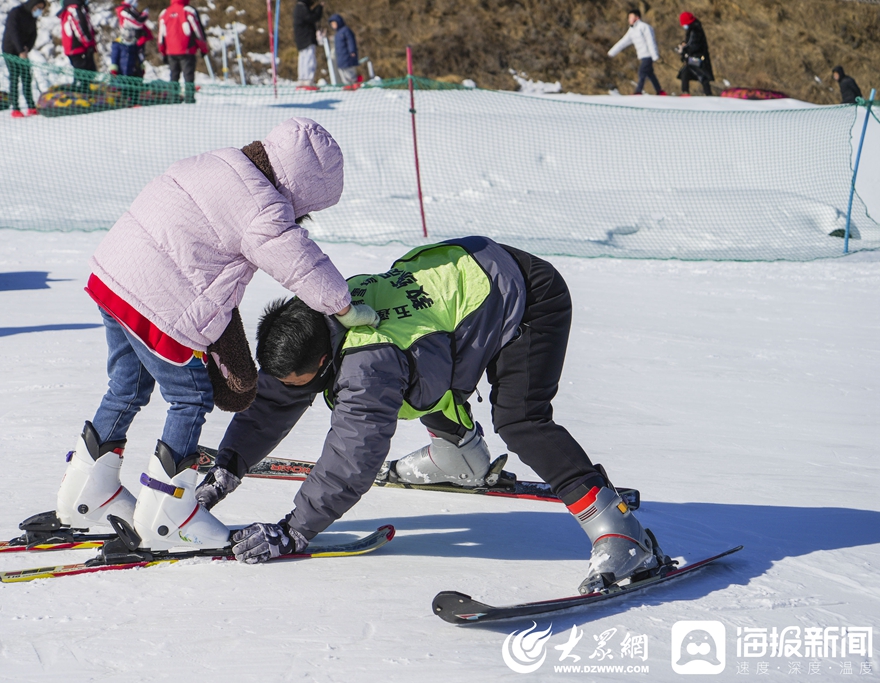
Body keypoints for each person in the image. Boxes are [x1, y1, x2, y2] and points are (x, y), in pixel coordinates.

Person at [204, 236, 665, 595]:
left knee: (521, 420)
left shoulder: (368, 362)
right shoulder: (321, 311)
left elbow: (353, 456)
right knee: (423, 374)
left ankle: (620, 531)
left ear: (323, 361)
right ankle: (458, 456)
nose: (290, 389)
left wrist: (294, 531)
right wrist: (227, 468)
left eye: (298, 380)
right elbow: (274, 401)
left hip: (526, 296)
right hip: (463, 291)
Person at [49, 118, 379, 554]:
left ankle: (88, 492)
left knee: (126, 387)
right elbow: (301, 263)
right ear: (301, 187)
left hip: (114, 277)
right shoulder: (264, 207)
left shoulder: (215, 161)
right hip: (159, 301)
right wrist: (343, 306)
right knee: (189, 397)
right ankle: (168, 514)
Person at [2, 0, 47, 117]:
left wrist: (27, 48)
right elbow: (13, 32)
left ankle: (31, 106)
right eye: (38, 7)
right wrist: (20, 50)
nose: (39, 10)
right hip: (10, 49)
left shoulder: (32, 17)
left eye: (41, 8)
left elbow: (33, 34)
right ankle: (15, 108)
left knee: (26, 76)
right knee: (14, 76)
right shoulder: (16, 13)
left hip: (23, 50)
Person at [158, 0, 208, 104]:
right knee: (188, 76)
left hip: (170, 51)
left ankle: (173, 99)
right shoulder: (188, 11)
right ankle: (189, 99)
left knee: (173, 76)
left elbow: (161, 35)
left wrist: (163, 51)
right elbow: (198, 31)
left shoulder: (165, 12)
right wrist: (203, 48)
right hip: (187, 51)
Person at [607, 8, 665, 96]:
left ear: (637, 18)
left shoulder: (645, 27)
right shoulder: (632, 31)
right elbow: (623, 42)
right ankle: (660, 91)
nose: (629, 19)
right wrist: (611, 52)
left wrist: (655, 55)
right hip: (642, 55)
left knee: (642, 72)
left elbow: (651, 41)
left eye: (631, 17)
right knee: (650, 74)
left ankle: (638, 91)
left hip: (648, 55)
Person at [58, 0, 97, 90]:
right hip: (77, 47)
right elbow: (80, 28)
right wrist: (88, 44)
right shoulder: (74, 10)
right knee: (84, 72)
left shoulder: (74, 9)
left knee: (82, 72)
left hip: (75, 47)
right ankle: (83, 90)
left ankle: (82, 87)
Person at [111, 0, 153, 79]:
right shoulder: (118, 45)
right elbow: (114, 59)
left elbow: (139, 57)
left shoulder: (135, 46)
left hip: (135, 44)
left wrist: (141, 67)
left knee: (136, 63)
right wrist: (113, 69)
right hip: (121, 76)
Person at [676, 12, 714, 96]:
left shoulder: (695, 31)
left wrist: (683, 49)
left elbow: (693, 46)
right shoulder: (692, 30)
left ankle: (708, 94)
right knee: (686, 72)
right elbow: (690, 43)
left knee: (701, 75)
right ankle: (685, 92)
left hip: (699, 59)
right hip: (695, 58)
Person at [293, 0, 323, 89]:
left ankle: (302, 79)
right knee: (309, 59)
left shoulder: (299, 7)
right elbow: (312, 18)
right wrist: (319, 8)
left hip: (301, 39)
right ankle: (307, 80)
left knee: (303, 58)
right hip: (307, 38)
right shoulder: (301, 8)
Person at [328, 14, 358, 86]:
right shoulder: (337, 34)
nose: (333, 25)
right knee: (342, 72)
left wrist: (352, 51)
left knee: (349, 71)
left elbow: (351, 41)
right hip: (340, 57)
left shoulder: (346, 30)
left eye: (334, 23)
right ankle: (347, 85)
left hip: (347, 56)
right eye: (332, 24)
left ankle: (353, 83)